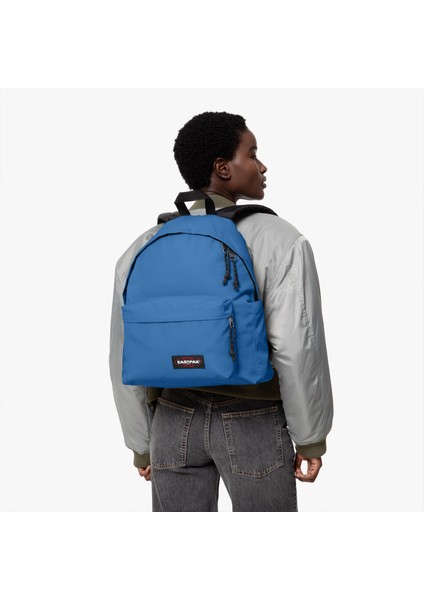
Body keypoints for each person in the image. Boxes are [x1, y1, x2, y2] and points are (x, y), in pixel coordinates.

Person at [109, 111, 334, 511]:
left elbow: (123, 350)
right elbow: (297, 347)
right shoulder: (280, 239)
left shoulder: (144, 244)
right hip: (253, 419)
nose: (262, 166)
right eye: (253, 154)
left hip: (171, 419)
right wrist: (310, 437)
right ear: (223, 168)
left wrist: (141, 443)